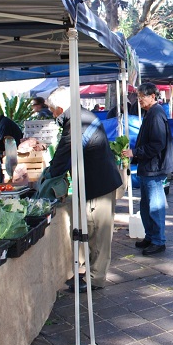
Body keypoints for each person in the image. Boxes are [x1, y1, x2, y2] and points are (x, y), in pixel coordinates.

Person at [43, 88, 123, 292]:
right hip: (95, 183)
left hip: (98, 186)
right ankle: (89, 273)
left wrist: (46, 175)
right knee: (92, 232)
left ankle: (95, 278)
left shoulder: (77, 122)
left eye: (53, 111)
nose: (53, 115)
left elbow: (63, 156)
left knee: (97, 233)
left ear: (60, 108)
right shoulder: (80, 117)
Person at [122, 83, 173, 256]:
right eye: (138, 97)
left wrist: (135, 152)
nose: (139, 101)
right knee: (146, 205)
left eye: (142, 97)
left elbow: (157, 144)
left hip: (154, 167)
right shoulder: (151, 113)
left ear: (152, 96)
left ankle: (158, 240)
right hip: (149, 167)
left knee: (155, 205)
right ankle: (151, 236)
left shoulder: (156, 114)